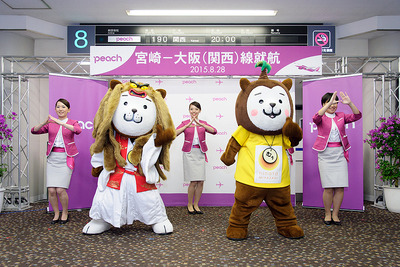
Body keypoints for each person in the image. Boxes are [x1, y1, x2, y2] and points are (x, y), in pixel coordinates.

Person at [312, 91, 362, 225]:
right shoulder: (321, 117)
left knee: (340, 187)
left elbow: (357, 116)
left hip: (340, 153)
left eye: (335, 103)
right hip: (325, 154)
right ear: (324, 103)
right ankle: (327, 214)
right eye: (330, 103)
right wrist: (327, 104)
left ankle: (335, 214)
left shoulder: (341, 116)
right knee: (328, 187)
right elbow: (315, 117)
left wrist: (349, 103)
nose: (333, 106)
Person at [31, 98, 82, 224]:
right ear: (55, 109)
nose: (60, 109)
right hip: (52, 159)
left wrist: (60, 123)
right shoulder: (50, 123)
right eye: (58, 107)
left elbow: (78, 130)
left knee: (60, 190)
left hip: (65, 158)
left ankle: (65, 213)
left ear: (68, 109)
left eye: (63, 107)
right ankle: (56, 213)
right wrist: (45, 122)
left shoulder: (72, 122)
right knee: (51, 190)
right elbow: (34, 130)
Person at [176, 101, 217, 215]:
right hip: (189, 153)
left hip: (200, 152)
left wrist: (201, 124)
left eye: (196, 109)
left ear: (199, 111)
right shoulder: (185, 123)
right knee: (193, 181)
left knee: (201, 181)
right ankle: (189, 204)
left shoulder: (203, 123)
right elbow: (174, 134)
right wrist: (186, 126)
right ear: (189, 111)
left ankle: (196, 204)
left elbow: (214, 131)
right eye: (191, 109)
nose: (194, 111)